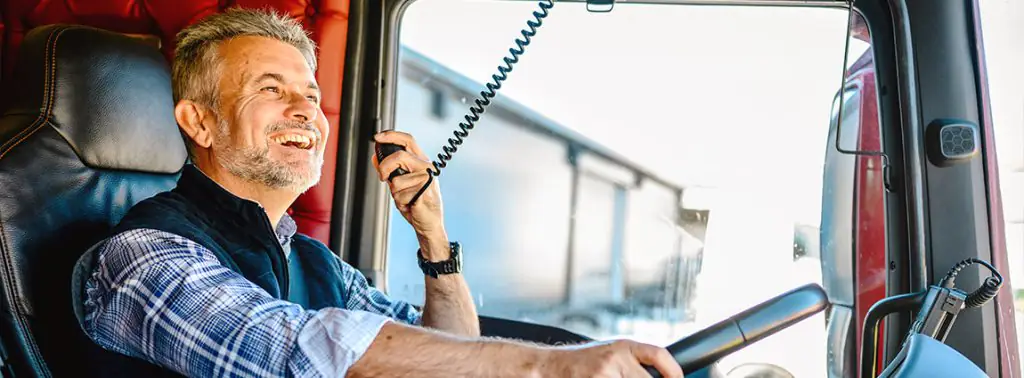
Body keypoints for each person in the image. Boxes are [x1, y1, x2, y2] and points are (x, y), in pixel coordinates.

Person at [79, 8, 683, 378]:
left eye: (312, 96)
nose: (305, 111)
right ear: (200, 122)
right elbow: (292, 355)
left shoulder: (315, 263)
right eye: (271, 89)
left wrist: (432, 235)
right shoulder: (146, 259)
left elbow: (448, 354)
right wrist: (549, 369)